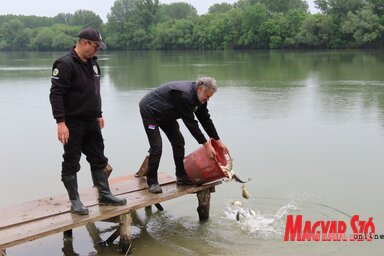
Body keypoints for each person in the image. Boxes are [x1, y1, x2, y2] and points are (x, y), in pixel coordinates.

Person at [49, 28, 126, 215]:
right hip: (72, 122)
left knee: (98, 156)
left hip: (91, 120)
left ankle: (105, 194)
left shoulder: (93, 64)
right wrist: (61, 122)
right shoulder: (64, 64)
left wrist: (99, 113)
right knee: (71, 160)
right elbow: (56, 94)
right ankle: (75, 201)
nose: (97, 50)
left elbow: (95, 91)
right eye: (95, 46)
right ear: (84, 42)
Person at [139, 77, 228, 193]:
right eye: (208, 96)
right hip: (151, 112)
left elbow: (205, 119)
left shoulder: (201, 99)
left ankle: (181, 177)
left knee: (179, 142)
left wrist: (218, 141)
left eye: (210, 97)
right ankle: (152, 181)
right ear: (200, 89)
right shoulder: (184, 95)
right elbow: (191, 124)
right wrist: (206, 145)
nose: (208, 99)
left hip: (167, 113)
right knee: (157, 147)